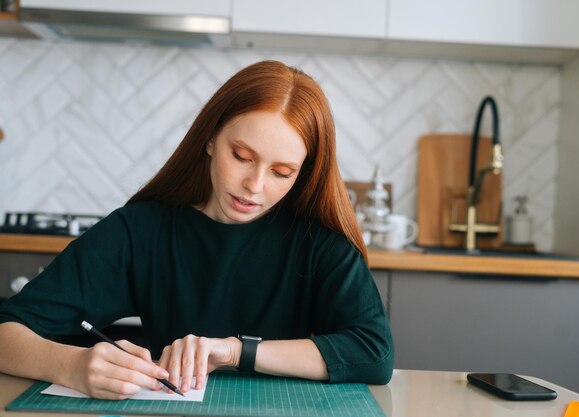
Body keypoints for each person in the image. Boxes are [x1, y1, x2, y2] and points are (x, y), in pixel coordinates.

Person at [0, 60, 394, 400]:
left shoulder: (319, 244)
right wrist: (71, 364)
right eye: (241, 156)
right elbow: (6, 329)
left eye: (281, 172)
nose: (254, 186)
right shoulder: (141, 231)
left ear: (303, 174)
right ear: (209, 139)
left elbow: (374, 354)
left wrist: (236, 351)